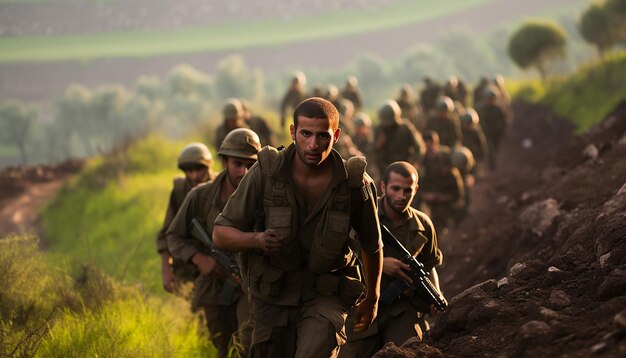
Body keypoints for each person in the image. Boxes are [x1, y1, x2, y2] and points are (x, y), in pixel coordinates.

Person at [212, 97, 384, 357]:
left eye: (322, 135)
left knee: (315, 349)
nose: (313, 144)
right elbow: (221, 233)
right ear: (293, 132)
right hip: (273, 296)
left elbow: (372, 246)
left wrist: (372, 298)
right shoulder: (265, 173)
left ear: (336, 135)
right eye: (305, 134)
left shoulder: (354, 184)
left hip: (327, 294)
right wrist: (257, 240)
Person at [167, 129, 262, 358]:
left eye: (251, 165)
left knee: (247, 344)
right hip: (213, 283)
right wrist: (200, 259)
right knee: (221, 346)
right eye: (238, 164)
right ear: (225, 162)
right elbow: (174, 236)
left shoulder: (264, 198)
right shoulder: (200, 197)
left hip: (249, 285)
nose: (244, 171)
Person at [340, 162, 443, 357]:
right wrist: (380, 264)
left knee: (405, 352)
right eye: (395, 188)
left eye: (408, 190)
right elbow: (339, 256)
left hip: (402, 309)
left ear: (416, 190)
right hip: (361, 304)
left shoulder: (423, 225)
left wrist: (435, 293)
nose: (401, 196)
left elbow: (429, 267)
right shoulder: (361, 214)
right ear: (383, 186)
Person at [157, 142, 213, 294]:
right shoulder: (180, 191)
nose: (194, 176)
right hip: (186, 265)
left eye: (199, 169)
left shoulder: (220, 188)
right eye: (189, 171)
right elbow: (166, 234)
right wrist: (166, 271)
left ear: (208, 167)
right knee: (189, 313)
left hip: (214, 265)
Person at [373, 100, 426, 179]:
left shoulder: (405, 128)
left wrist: (414, 164)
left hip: (404, 167)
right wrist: (378, 145)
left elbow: (419, 147)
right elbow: (370, 151)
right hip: (385, 169)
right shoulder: (379, 130)